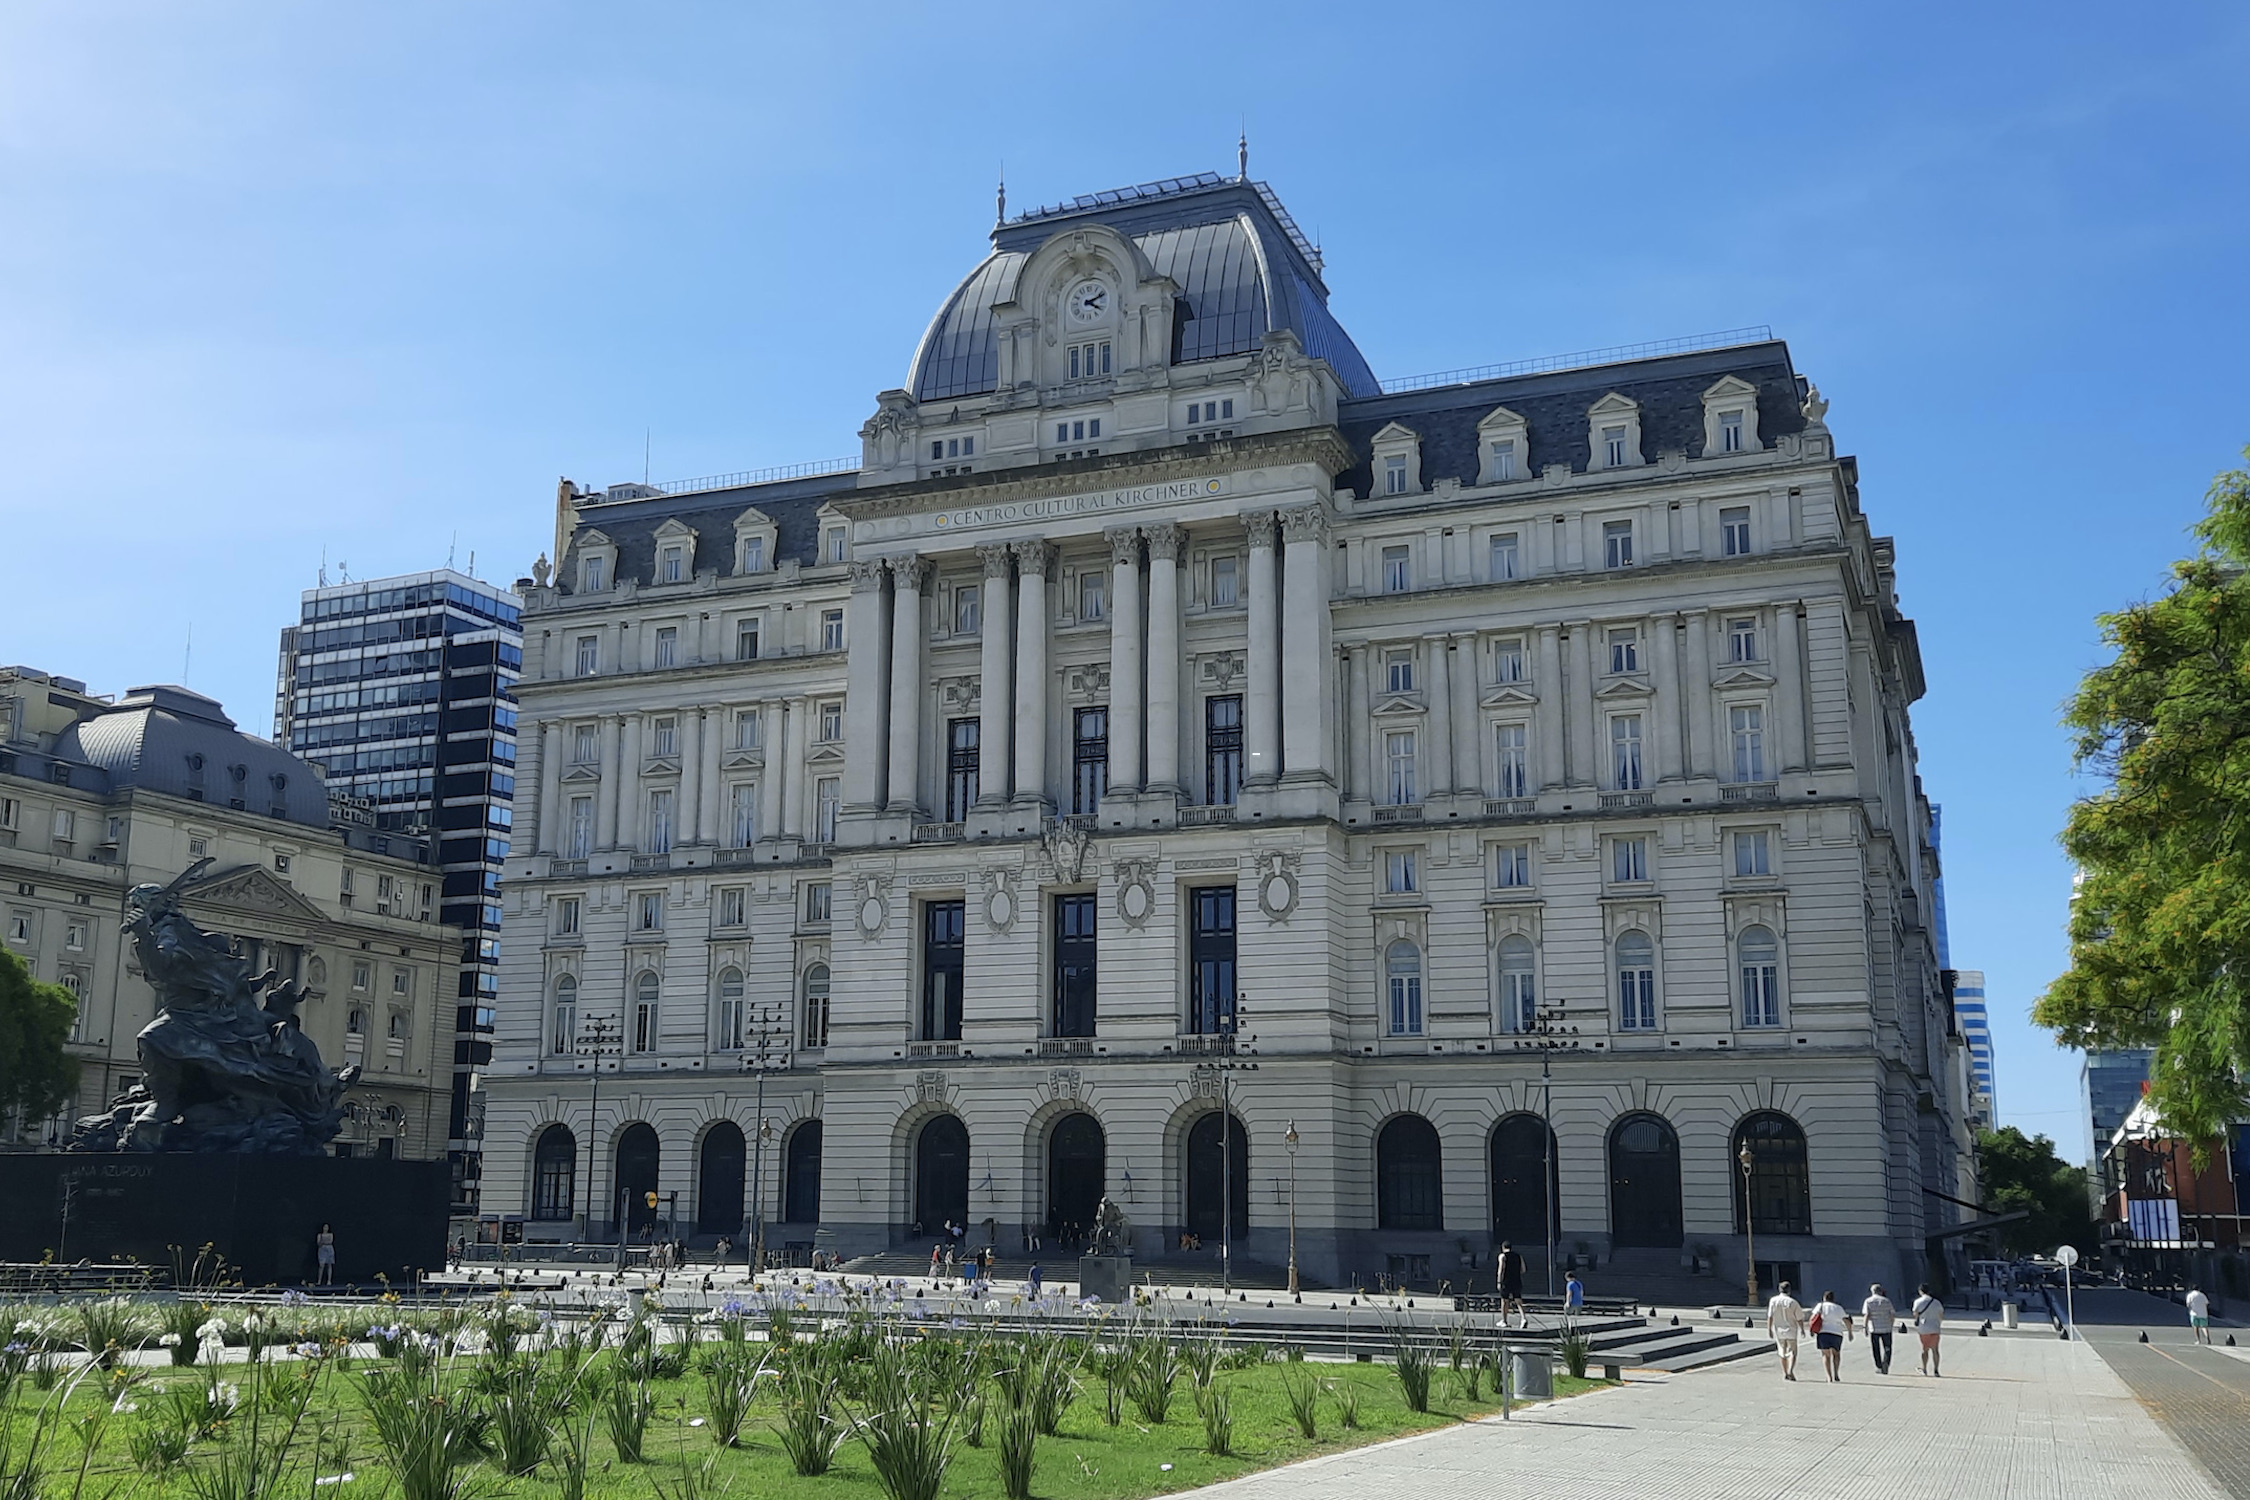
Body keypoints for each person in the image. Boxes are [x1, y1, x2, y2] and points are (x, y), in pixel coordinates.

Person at [1766, 1280, 1806, 1381]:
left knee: (1782, 1352)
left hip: (1779, 1330)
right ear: (1789, 1290)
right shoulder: (1793, 1302)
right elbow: (1799, 1318)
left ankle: (1784, 1372)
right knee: (1792, 1352)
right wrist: (1802, 1329)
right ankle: (1790, 1370)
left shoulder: (1773, 1301)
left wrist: (1769, 1329)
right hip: (1791, 1330)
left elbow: (1770, 1316)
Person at [1810, 1289, 1854, 1382]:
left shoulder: (1820, 1306)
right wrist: (1850, 1332)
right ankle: (1836, 1374)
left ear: (1824, 1298)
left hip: (1823, 1333)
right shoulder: (1838, 1308)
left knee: (1826, 1355)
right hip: (1836, 1333)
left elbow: (1813, 1318)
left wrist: (1811, 1330)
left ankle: (1829, 1376)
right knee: (1836, 1354)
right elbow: (1847, 1321)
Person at [1911, 1283, 1946, 1375]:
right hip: (1935, 1327)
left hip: (1924, 1328)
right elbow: (1941, 1315)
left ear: (1920, 1291)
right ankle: (1936, 1370)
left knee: (1924, 1349)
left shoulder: (1918, 1302)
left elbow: (1915, 1314)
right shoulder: (1937, 1302)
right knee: (1935, 1350)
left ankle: (1924, 1368)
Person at [1861, 1283, 1897, 1374]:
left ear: (1872, 1291)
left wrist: (1865, 1327)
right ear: (1881, 1291)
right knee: (1887, 1347)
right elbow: (1892, 1314)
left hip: (1874, 1328)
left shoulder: (1868, 1301)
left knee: (1875, 1348)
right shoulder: (1887, 1301)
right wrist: (1891, 1325)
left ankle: (1879, 1366)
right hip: (1886, 1327)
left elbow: (1867, 1315)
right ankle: (1886, 1363)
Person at [1497, 1242, 1527, 1328]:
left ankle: (1504, 1320)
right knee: (1518, 1300)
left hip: (1506, 1281)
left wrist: (1499, 1282)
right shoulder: (1518, 1256)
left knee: (1504, 1301)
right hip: (1516, 1280)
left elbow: (1501, 1270)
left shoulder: (1502, 1256)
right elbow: (1523, 1269)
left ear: (1503, 1247)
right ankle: (1523, 1318)